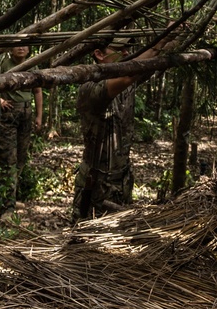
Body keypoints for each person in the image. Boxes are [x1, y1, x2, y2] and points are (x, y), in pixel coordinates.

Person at [71, 37, 166, 224]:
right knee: (86, 242)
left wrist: (176, 33)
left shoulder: (127, 83)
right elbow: (128, 75)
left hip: (121, 180)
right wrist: (157, 44)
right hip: (96, 185)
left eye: (127, 49)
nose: (126, 53)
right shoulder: (90, 88)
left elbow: (153, 60)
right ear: (98, 54)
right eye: (120, 49)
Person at [0, 46, 43, 208]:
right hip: (6, 115)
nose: (21, 48)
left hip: (25, 114)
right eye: (17, 45)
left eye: (25, 45)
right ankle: (6, 205)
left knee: (21, 157)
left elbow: (37, 91)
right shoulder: (3, 65)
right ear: (10, 49)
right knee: (7, 159)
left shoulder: (33, 65)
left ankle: (8, 197)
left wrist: (39, 116)